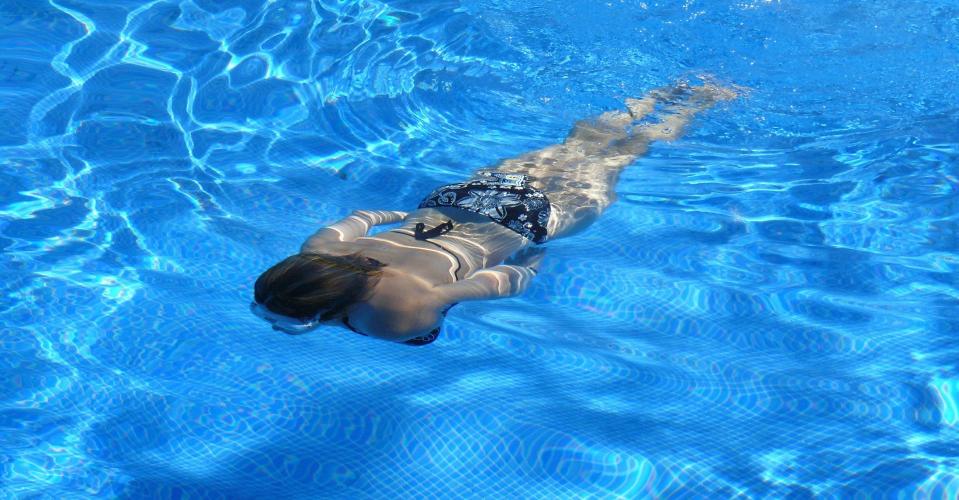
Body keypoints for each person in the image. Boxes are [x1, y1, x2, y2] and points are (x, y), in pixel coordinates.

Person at [252, 82, 736, 345]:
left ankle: (705, 100)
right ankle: (657, 92)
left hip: (523, 223)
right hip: (461, 198)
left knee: (621, 155)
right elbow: (362, 214)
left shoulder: (396, 316)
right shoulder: (318, 248)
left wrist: (526, 267)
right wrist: (403, 212)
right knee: (581, 143)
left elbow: (491, 284)